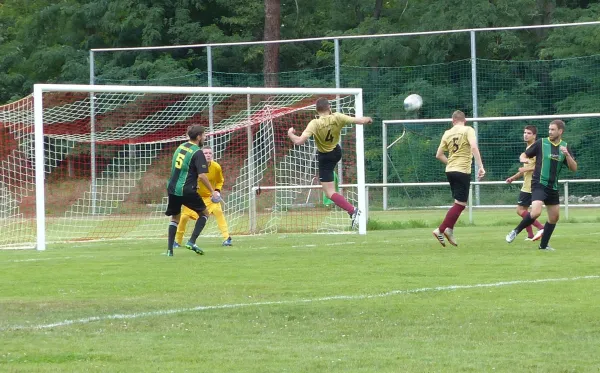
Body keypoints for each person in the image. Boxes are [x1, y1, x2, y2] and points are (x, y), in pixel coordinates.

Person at [287, 97, 373, 229]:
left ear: (317, 110)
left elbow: (298, 141)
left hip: (325, 158)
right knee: (330, 186)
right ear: (329, 107)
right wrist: (368, 119)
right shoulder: (337, 117)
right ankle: (350, 208)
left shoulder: (314, 123)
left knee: (329, 193)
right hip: (336, 152)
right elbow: (359, 120)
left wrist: (290, 134)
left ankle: (353, 211)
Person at [505, 119, 577, 251]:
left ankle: (543, 246)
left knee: (554, 217)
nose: (550, 132)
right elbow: (524, 154)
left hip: (553, 186)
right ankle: (515, 231)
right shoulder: (541, 143)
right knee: (536, 212)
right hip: (539, 183)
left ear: (560, 131)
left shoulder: (565, 146)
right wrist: (523, 159)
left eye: (553, 129)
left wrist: (567, 155)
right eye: (549, 129)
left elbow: (574, 168)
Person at [164, 125, 221, 257]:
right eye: (204, 135)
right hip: (187, 190)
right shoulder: (197, 152)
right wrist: (213, 191)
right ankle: (191, 242)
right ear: (199, 137)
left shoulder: (181, 147)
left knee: (175, 218)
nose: (205, 137)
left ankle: (169, 251)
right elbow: (202, 175)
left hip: (173, 188)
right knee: (204, 214)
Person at [432, 110, 485, 247]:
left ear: (452, 121)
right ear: (464, 120)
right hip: (462, 170)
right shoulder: (468, 129)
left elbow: (439, 154)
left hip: (450, 170)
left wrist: (451, 162)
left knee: (458, 202)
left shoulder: (447, 133)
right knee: (461, 204)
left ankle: (450, 230)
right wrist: (481, 166)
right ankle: (441, 229)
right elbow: (473, 146)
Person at [174, 145, 232, 248]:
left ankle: (227, 238)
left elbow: (220, 181)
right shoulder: (194, 167)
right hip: (194, 198)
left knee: (219, 212)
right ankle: (177, 241)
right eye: (205, 153)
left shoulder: (216, 167)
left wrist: (217, 191)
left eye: (210, 153)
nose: (208, 155)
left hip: (210, 197)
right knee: (183, 217)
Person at [505, 125, 545, 241]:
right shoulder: (528, 150)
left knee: (520, 210)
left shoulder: (536, 149)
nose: (525, 135)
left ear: (534, 136)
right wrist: (513, 177)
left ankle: (541, 227)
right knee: (524, 210)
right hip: (527, 183)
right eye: (524, 132)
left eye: (528, 133)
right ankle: (530, 235)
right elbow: (525, 169)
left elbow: (539, 167)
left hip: (532, 184)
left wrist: (525, 169)